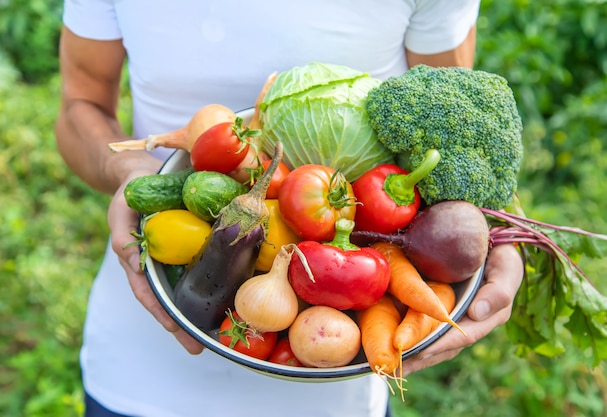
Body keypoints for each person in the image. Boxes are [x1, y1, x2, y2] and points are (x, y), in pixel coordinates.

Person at [55, 1, 525, 416]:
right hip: (142, 371)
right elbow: (81, 103)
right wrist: (131, 172)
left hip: (340, 385)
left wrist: (493, 231)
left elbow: (462, 127)